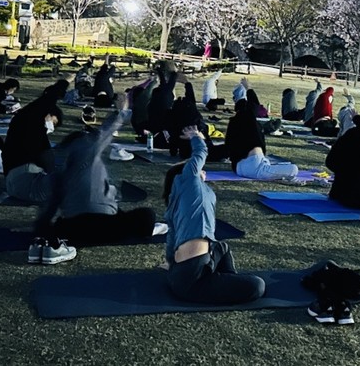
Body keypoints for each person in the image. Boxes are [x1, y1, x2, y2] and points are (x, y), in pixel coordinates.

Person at [163, 124, 266, 304]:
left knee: (222, 247)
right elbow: (200, 153)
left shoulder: (182, 201)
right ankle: (223, 283)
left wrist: (171, 264)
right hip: (192, 280)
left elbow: (171, 239)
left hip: (183, 272)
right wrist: (196, 136)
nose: (202, 171)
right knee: (258, 285)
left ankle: (226, 280)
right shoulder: (188, 182)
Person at [34, 100, 157, 247]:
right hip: (108, 227)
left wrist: (42, 227)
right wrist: (119, 112)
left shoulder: (57, 164)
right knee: (146, 215)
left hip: (74, 231)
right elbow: (105, 133)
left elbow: (51, 203)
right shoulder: (86, 148)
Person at [3, 79, 66, 203]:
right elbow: (44, 102)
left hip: (15, 182)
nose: (51, 126)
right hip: (25, 181)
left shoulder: (23, 124)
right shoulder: (32, 125)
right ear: (48, 114)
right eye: (53, 122)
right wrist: (63, 83)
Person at [226, 90, 299, 180]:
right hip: (255, 166)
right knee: (293, 169)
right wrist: (248, 89)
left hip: (238, 167)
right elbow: (254, 103)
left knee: (279, 165)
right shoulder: (251, 121)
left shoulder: (233, 123)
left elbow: (227, 147)